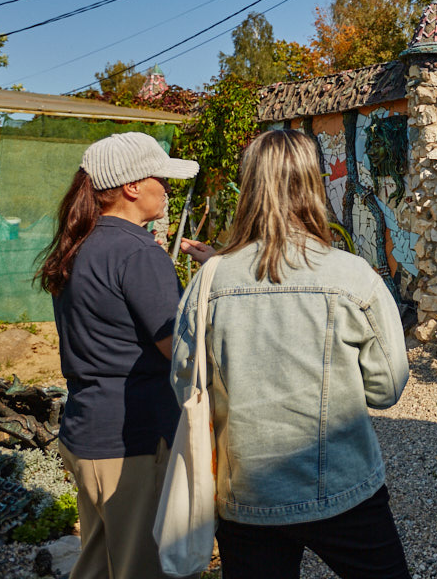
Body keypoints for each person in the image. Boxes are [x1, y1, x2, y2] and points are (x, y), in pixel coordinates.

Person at [170, 129, 411, 579]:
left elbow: (185, 384)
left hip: (245, 495)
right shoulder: (352, 276)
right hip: (344, 486)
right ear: (312, 184)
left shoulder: (208, 281)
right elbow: (386, 389)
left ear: (249, 187)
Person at [36, 131, 209, 579]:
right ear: (133, 187)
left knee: (98, 561)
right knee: (143, 567)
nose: (167, 190)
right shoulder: (137, 252)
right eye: (161, 179)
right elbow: (181, 350)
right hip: (132, 440)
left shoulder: (80, 244)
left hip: (88, 432)